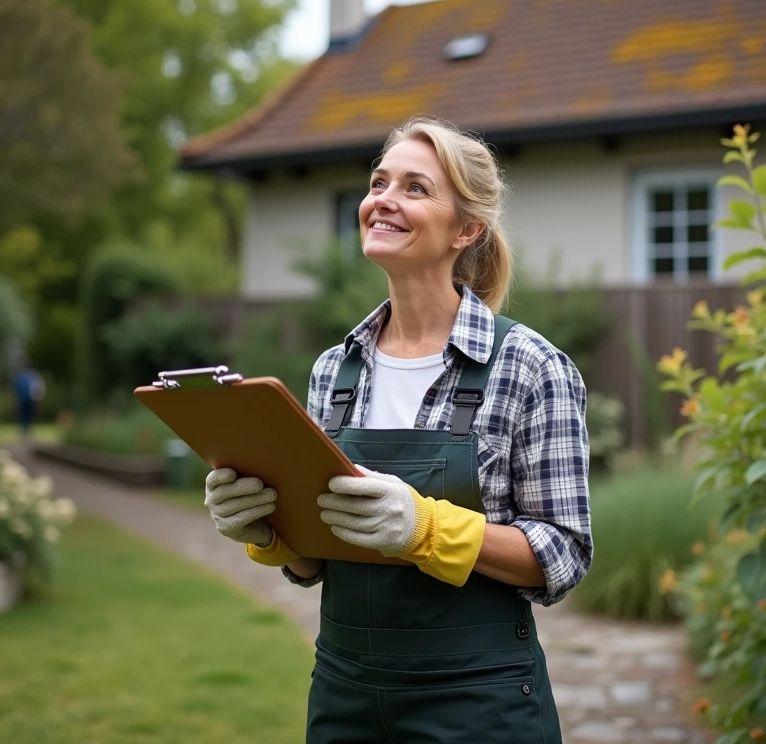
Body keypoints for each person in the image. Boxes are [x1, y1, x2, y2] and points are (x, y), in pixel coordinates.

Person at [203, 116, 592, 743]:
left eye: (415, 188)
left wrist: (425, 528)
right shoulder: (335, 370)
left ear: (467, 229)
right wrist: (267, 530)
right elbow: (315, 562)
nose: (383, 199)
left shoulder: (529, 367)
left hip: (479, 704)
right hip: (344, 697)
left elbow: (564, 555)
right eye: (379, 182)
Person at [13, 361, 45, 440]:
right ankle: (26, 431)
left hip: (25, 399)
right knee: (28, 415)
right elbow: (39, 387)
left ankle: (25, 431)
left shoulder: (24, 376)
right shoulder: (35, 376)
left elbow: (18, 387)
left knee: (25, 415)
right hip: (29, 399)